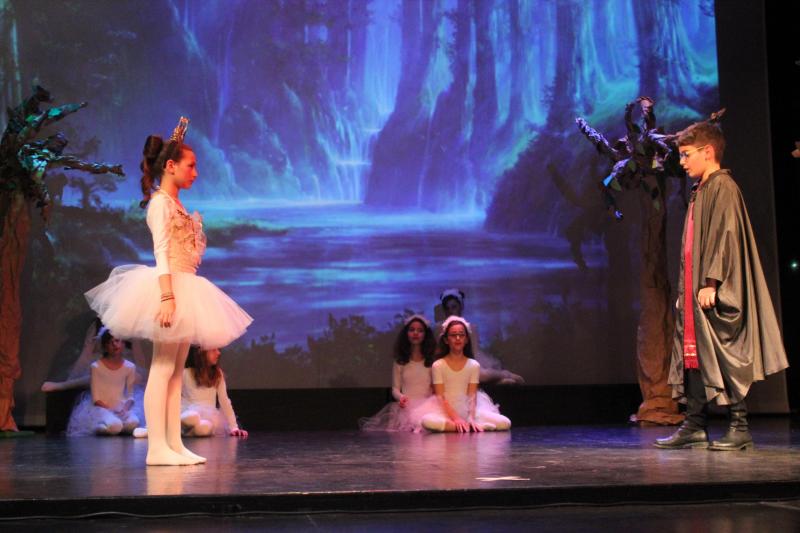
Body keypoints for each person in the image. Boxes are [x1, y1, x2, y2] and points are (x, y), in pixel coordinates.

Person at [85, 117, 252, 465]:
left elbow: (187, 254)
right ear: (171, 166)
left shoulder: (177, 205)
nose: (196, 173)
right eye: (191, 166)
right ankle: (157, 447)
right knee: (162, 368)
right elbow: (161, 251)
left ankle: (174, 443)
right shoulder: (160, 203)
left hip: (185, 283)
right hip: (169, 285)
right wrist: (166, 296)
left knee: (175, 371)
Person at [655, 121, 788, 451]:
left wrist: (711, 282)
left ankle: (739, 427)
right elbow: (692, 247)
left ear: (708, 151)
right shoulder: (701, 189)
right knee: (693, 354)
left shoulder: (723, 186)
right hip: (695, 289)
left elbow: (725, 238)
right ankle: (695, 426)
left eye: (687, 154)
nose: (682, 162)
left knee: (725, 352)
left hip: (715, 286)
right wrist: (686, 291)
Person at [418, 316, 511, 433]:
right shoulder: (438, 365)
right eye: (453, 335)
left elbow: (472, 395)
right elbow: (440, 397)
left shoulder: (473, 365)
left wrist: (471, 417)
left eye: (461, 335)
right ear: (446, 340)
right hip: (445, 410)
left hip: (468, 409)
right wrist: (456, 418)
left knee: (505, 423)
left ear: (466, 339)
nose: (458, 338)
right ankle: (470, 427)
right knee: (427, 422)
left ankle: (469, 425)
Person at [359, 314, 435, 432]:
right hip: (406, 409)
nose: (415, 333)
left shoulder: (432, 361)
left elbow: (435, 388)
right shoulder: (400, 361)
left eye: (420, 330)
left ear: (426, 335)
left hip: (427, 409)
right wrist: (401, 397)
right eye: (412, 330)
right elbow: (395, 389)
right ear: (406, 334)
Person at [435, 289, 524, 385]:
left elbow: (474, 352)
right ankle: (500, 380)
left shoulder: (470, 327)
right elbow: (438, 350)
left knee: (480, 374)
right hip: (449, 362)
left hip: (467, 360)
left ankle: (505, 375)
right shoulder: (440, 328)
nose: (450, 311)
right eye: (447, 308)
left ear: (460, 307)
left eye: (454, 307)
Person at [66, 328, 139, 436]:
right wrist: (111, 410)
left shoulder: (130, 367)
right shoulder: (96, 367)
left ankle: (111, 426)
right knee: (115, 425)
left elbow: (130, 395)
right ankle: (100, 427)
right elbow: (96, 399)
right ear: (105, 346)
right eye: (110, 342)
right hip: (102, 408)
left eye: (117, 341)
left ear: (123, 343)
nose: (115, 345)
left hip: (121, 408)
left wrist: (125, 408)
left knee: (133, 423)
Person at [181, 346, 247, 437]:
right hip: (188, 410)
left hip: (209, 416)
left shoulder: (217, 374)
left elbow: (224, 400)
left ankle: (187, 432)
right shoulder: (185, 373)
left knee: (204, 428)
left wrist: (234, 427)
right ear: (201, 353)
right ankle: (181, 426)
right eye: (213, 350)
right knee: (193, 417)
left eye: (218, 350)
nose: (218, 353)